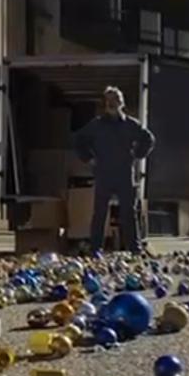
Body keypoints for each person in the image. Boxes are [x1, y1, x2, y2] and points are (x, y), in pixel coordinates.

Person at [71, 87, 155, 253]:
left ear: (121, 103)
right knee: (100, 213)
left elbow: (148, 139)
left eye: (115, 99)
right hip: (104, 173)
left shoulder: (131, 125)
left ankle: (135, 249)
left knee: (128, 214)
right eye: (108, 100)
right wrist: (89, 158)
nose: (111, 103)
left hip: (124, 174)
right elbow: (79, 140)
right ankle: (96, 249)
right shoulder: (97, 125)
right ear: (104, 103)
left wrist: (138, 154)